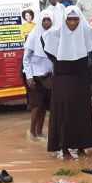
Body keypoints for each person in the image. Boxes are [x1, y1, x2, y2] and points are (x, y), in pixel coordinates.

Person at [42, 6, 92, 159]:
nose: (72, 23)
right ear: (64, 20)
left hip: (81, 79)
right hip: (62, 79)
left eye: (76, 19)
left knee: (82, 112)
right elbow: (50, 53)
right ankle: (64, 149)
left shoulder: (85, 32)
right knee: (64, 112)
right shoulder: (53, 34)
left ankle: (81, 148)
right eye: (69, 19)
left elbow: (88, 54)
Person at [23, 9, 54, 139]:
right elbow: (26, 57)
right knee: (36, 106)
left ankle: (40, 133)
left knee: (44, 108)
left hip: (48, 76)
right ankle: (32, 132)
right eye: (44, 20)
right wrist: (29, 76)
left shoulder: (54, 34)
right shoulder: (34, 35)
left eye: (49, 20)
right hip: (34, 76)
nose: (47, 22)